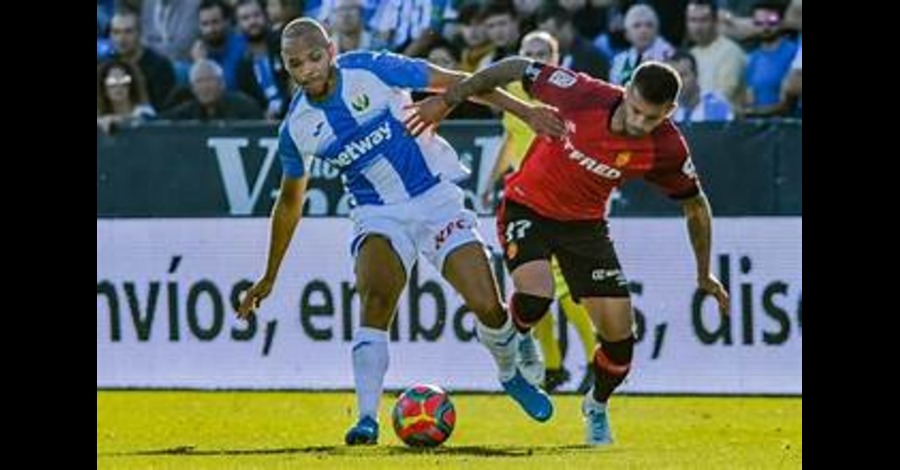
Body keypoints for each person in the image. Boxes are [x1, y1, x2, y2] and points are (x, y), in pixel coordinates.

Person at [236, 18, 566, 446]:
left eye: (316, 57)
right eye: (297, 63)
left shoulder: (372, 69)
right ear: (287, 67)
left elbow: (462, 81)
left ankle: (509, 375)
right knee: (374, 298)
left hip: (436, 198)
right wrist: (270, 275)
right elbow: (290, 201)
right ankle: (367, 419)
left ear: (331, 51)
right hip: (377, 213)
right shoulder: (296, 128)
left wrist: (525, 110)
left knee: (488, 304)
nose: (310, 69)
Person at [404, 58, 731, 445]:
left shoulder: (666, 148)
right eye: (636, 111)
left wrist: (704, 272)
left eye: (651, 118)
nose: (639, 124)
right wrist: (451, 99)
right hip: (527, 205)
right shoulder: (582, 93)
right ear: (625, 91)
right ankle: (518, 340)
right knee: (535, 294)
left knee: (620, 342)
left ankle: (595, 406)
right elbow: (513, 66)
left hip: (585, 227)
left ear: (669, 112)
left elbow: (695, 205)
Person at [480, 30, 598, 393]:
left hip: (555, 198)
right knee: (531, 286)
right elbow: (511, 138)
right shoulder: (513, 96)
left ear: (555, 59)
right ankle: (553, 366)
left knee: (563, 287)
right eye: (527, 52)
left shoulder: (566, 97)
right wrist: (489, 183)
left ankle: (596, 359)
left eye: (541, 53)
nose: (534, 57)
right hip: (523, 199)